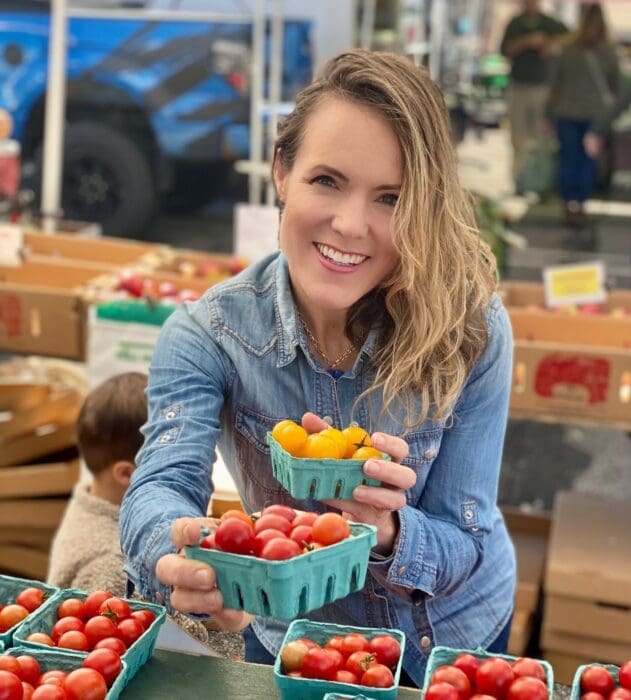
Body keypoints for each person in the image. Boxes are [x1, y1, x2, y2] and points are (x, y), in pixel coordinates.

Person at [120, 48, 515, 687]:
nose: (350, 224)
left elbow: (465, 541)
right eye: (326, 180)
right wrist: (178, 553)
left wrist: (386, 530)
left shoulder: (469, 328)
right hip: (298, 645)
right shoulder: (206, 336)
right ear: (282, 172)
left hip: (455, 637)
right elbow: (159, 484)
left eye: (391, 197)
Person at [47, 372, 225, 652]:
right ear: (126, 474)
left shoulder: (89, 498)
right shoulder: (111, 566)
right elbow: (137, 645)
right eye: (167, 464)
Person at [547, 3, 620, 227]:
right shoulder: (609, 52)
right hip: (594, 118)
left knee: (568, 159)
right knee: (587, 162)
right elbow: (615, 88)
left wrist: (548, 113)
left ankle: (569, 204)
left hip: (566, 113)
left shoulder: (568, 49)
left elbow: (555, 84)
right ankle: (581, 204)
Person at [500, 0, 568, 190]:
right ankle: (518, 181)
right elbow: (504, 50)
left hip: (543, 87)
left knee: (542, 137)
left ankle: (541, 182)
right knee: (518, 136)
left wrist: (549, 44)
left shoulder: (551, 24)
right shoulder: (516, 23)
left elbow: (570, 39)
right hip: (519, 85)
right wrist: (525, 42)